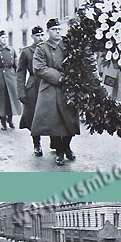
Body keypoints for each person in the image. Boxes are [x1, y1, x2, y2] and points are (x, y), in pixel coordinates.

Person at [31, 18, 80, 166]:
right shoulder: (42, 48)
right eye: (54, 29)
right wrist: (60, 78)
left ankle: (66, 146)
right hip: (50, 88)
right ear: (48, 32)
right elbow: (39, 68)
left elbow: (77, 60)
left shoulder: (68, 45)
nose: (57, 32)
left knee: (71, 120)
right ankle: (59, 151)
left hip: (68, 88)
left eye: (59, 29)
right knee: (54, 122)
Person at [17, 26, 45, 157]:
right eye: (37, 36)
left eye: (42, 35)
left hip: (48, 84)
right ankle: (37, 144)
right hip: (33, 87)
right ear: (32, 37)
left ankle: (56, 143)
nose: (40, 38)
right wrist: (21, 92)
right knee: (33, 116)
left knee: (51, 114)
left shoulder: (48, 49)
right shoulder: (27, 52)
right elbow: (20, 73)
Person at [0, 30, 21, 130]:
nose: (4, 39)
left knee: (12, 99)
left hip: (10, 76)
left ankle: (10, 120)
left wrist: (16, 76)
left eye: (6, 37)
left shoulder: (12, 50)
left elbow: (16, 65)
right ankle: (3, 122)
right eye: (2, 38)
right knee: (1, 100)